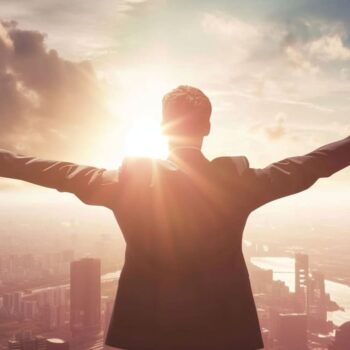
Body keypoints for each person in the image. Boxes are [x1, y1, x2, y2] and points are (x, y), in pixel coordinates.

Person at [0, 85, 349, 350]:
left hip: (143, 332)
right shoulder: (237, 183)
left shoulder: (128, 182)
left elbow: (57, 172)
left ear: (163, 127)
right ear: (208, 128)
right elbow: (309, 166)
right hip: (225, 332)